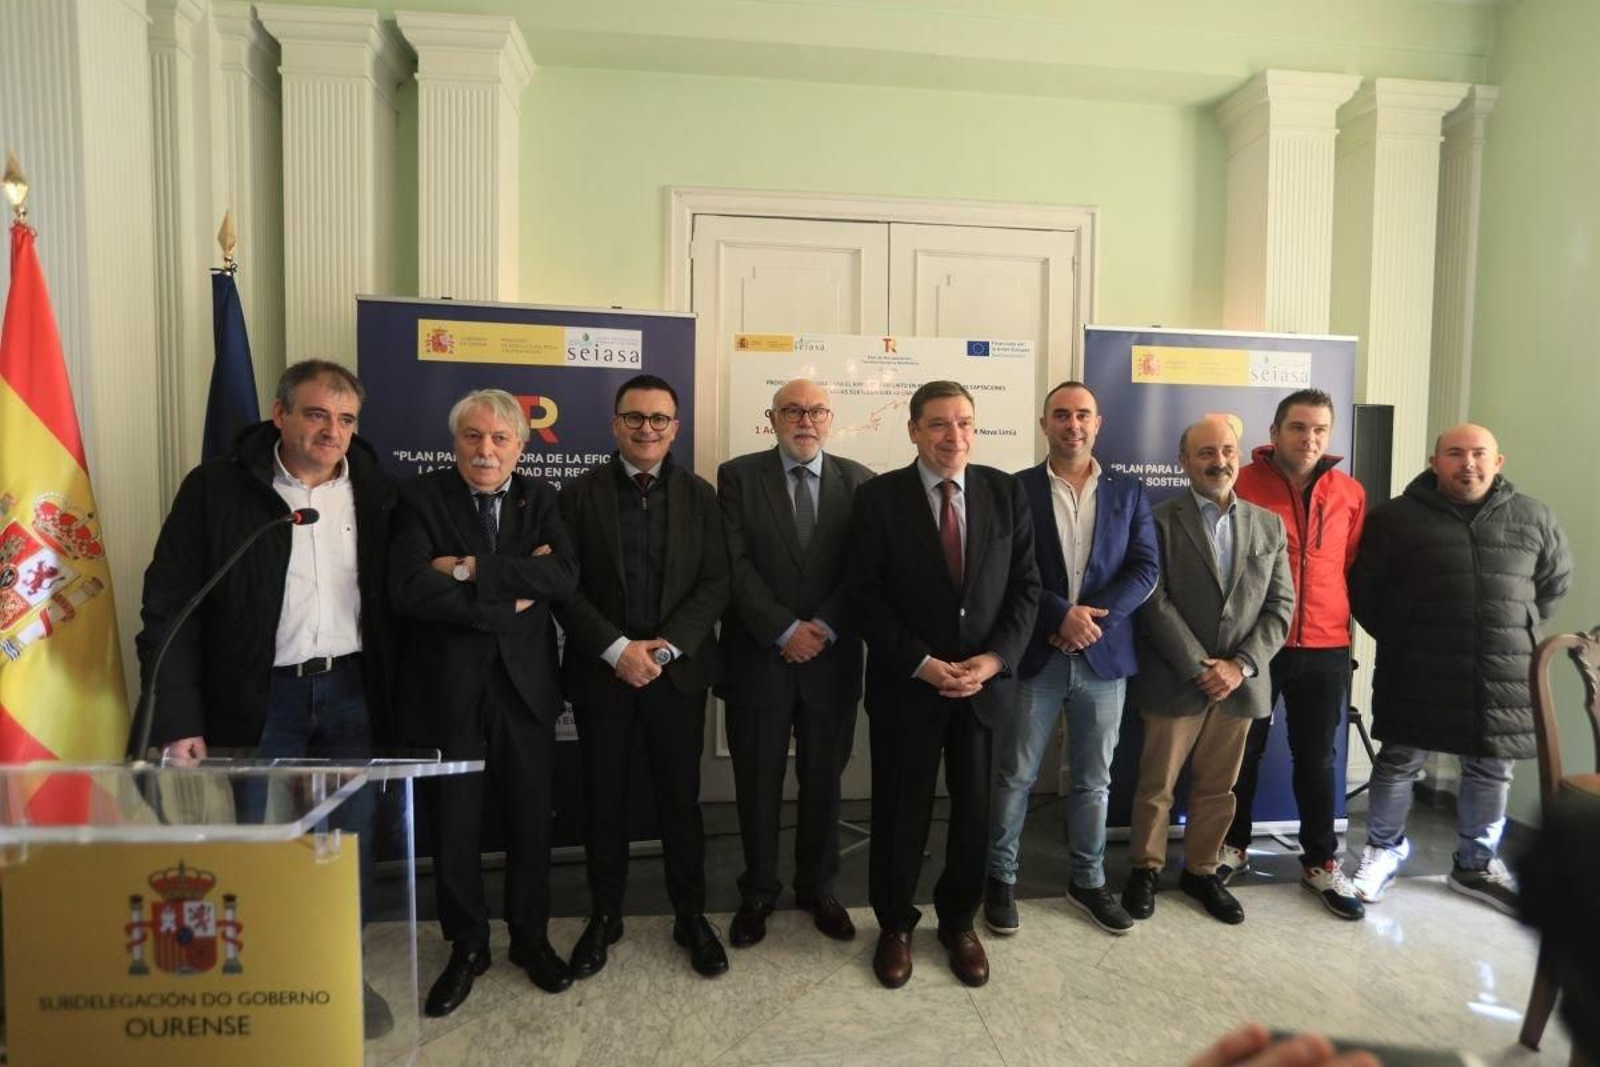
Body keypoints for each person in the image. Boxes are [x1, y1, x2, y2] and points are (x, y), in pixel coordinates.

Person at [136, 359, 397, 1034]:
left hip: (352, 693)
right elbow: (171, 606)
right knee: (256, 842)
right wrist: (177, 715)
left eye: (345, 420)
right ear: (279, 413)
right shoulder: (218, 489)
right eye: (316, 414)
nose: (331, 431)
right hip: (259, 697)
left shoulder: (376, 489)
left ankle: (337, 968)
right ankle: (259, 978)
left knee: (347, 847)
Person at [389, 389, 579, 1016]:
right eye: (473, 436)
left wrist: (468, 569)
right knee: (456, 825)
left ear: (521, 447)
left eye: (500, 439)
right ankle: (467, 945)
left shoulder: (542, 498)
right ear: (455, 442)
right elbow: (410, 589)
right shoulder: (420, 498)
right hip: (450, 692)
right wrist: (509, 588)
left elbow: (563, 578)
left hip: (526, 691)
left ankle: (529, 938)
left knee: (531, 819)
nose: (486, 449)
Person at [849, 380, 1040, 989]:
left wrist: (994, 660)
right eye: (938, 424)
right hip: (909, 687)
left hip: (984, 691)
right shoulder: (878, 498)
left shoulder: (1005, 493)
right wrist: (922, 663)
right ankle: (896, 925)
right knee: (900, 812)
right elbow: (866, 598)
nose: (952, 436)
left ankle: (959, 922)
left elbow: (1026, 588)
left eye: (963, 423)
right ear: (913, 431)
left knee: (976, 812)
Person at [1348, 423, 1571, 913]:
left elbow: (1553, 585)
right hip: (1416, 666)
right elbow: (1365, 591)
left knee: (1491, 767)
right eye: (1454, 453)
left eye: (1478, 454)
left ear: (1498, 461)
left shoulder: (1534, 517)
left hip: (1502, 672)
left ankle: (1475, 864)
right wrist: (1406, 631)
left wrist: (1514, 625)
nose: (1467, 463)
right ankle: (1383, 851)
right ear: (1434, 462)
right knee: (1399, 761)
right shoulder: (1395, 519)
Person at [555, 374, 732, 978]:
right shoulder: (577, 495)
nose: (647, 428)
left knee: (680, 801)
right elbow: (564, 588)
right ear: (615, 424)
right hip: (603, 676)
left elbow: (717, 582)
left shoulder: (701, 495)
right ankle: (606, 915)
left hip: (675, 679)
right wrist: (616, 649)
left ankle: (691, 914)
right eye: (635, 418)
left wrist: (666, 650)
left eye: (660, 419)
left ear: (675, 428)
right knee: (603, 801)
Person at [985, 381, 1158, 937]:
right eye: (1061, 415)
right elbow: (1008, 570)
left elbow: (1145, 569)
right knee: (1015, 775)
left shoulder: (1129, 492)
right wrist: (1060, 615)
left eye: (1083, 415)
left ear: (1098, 423)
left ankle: (1087, 882)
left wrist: (1088, 620)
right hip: (1036, 653)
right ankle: (1000, 879)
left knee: (1094, 781)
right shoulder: (1016, 490)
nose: (1072, 425)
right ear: (1044, 424)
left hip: (1103, 660)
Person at [716, 379, 873, 947]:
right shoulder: (736, 477)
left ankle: (818, 888)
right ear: (772, 418)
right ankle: (758, 890)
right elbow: (731, 565)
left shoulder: (860, 482)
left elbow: (863, 570)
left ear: (831, 419)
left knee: (823, 785)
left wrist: (822, 629)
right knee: (757, 783)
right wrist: (783, 629)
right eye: (792, 410)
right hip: (759, 657)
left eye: (816, 411)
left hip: (830, 663)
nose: (804, 420)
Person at [1121, 417, 1294, 926]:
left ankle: (1201, 870)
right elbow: (1153, 602)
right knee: (1156, 785)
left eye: (1226, 451)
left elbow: (1281, 607)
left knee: (1220, 787)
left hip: (1239, 684)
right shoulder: (1156, 521)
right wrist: (1203, 666)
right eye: (1205, 453)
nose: (1218, 461)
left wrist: (1239, 666)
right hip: (1177, 678)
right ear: (1184, 462)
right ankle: (1145, 869)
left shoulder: (1269, 525)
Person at [1221, 389, 1366, 920]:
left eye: (1320, 430)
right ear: (1276, 431)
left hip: (1327, 645)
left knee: (1319, 759)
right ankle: (1230, 847)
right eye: (1299, 427)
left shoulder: (1349, 492)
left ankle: (1321, 864)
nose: (1310, 439)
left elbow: (1349, 564)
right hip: (1257, 644)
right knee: (1244, 752)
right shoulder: (1242, 484)